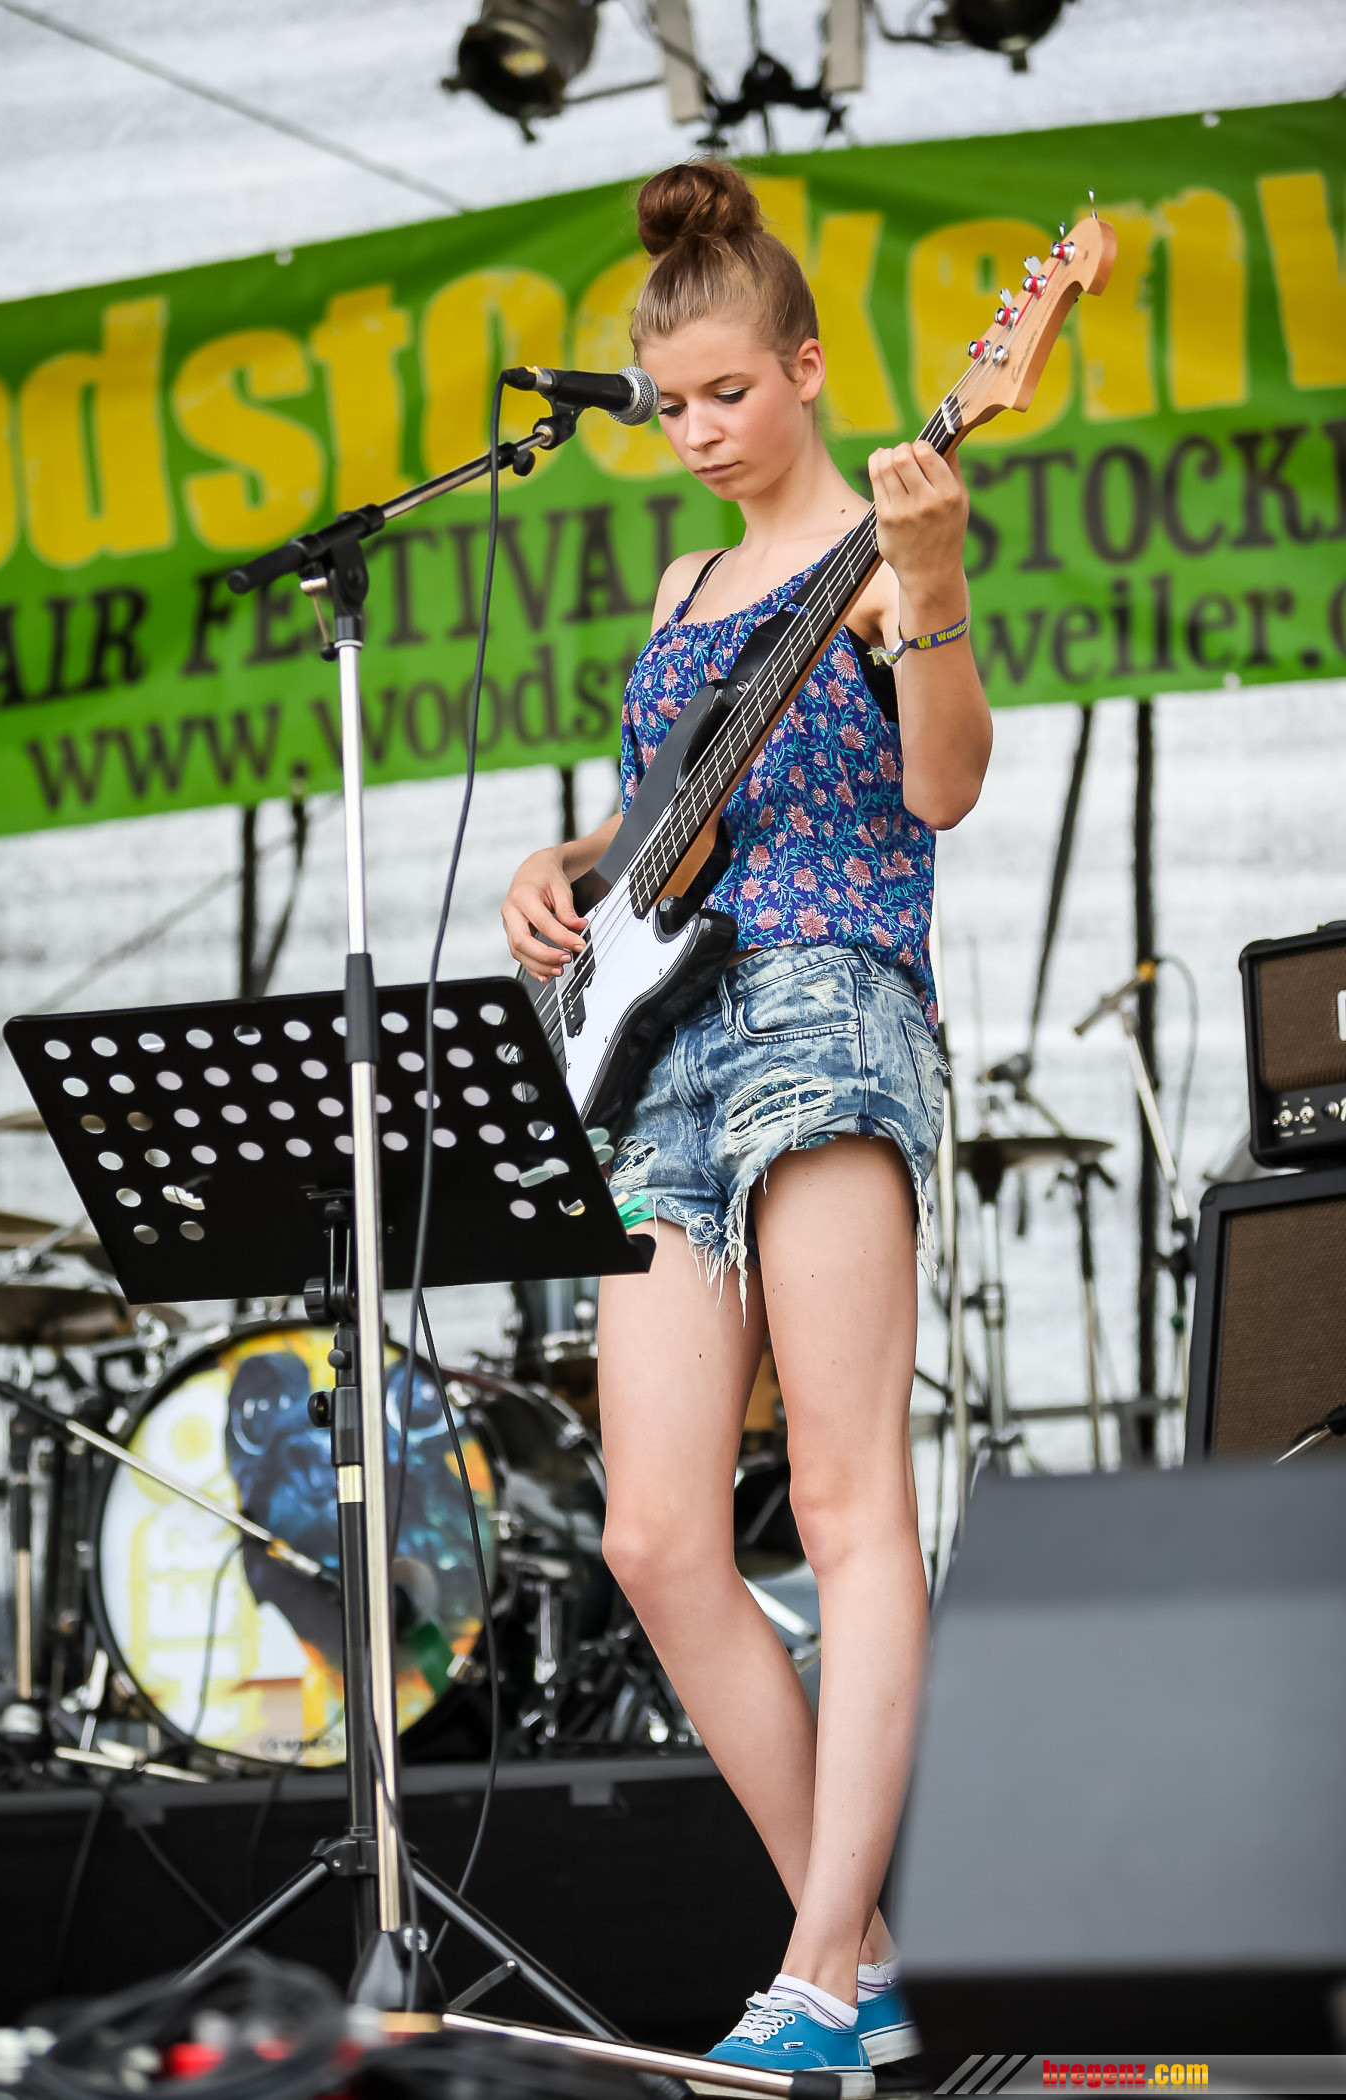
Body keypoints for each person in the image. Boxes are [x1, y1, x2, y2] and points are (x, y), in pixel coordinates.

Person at [500, 159, 991, 2091]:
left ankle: (810, 1968)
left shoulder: (878, 548)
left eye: (729, 391)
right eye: (672, 404)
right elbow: (665, 817)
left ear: (805, 367)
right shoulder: (684, 586)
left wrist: (932, 592)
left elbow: (941, 788)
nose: (699, 431)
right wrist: (563, 862)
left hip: (829, 1009)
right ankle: (857, 1951)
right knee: (652, 1535)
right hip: (663, 1051)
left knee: (852, 1498)